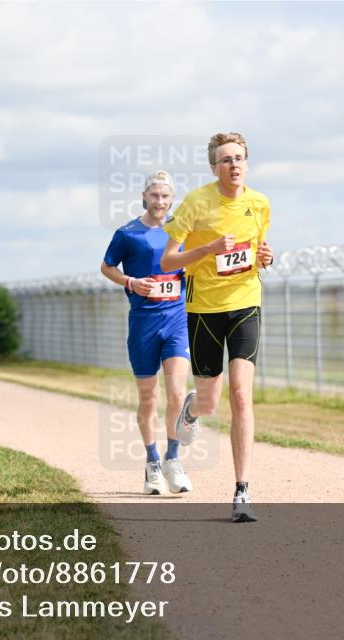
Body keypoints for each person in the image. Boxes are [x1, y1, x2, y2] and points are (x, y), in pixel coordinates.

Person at [160, 132, 273, 522]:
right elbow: (168, 261)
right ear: (214, 168)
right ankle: (193, 410)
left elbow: (258, 252)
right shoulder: (197, 202)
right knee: (210, 400)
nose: (234, 164)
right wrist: (208, 249)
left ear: (247, 163)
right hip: (204, 309)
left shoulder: (260, 203)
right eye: (226, 159)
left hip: (245, 302)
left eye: (239, 158)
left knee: (241, 394)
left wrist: (266, 257)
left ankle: (242, 490)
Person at [101, 170, 193, 496]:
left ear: (172, 199)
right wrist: (130, 282)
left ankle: (173, 459)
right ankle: (152, 462)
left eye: (166, 196)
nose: (160, 201)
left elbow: (197, 261)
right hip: (143, 324)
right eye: (155, 195)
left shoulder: (181, 231)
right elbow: (107, 266)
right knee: (149, 397)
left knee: (178, 393)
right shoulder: (128, 234)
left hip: (177, 320)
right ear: (144, 197)